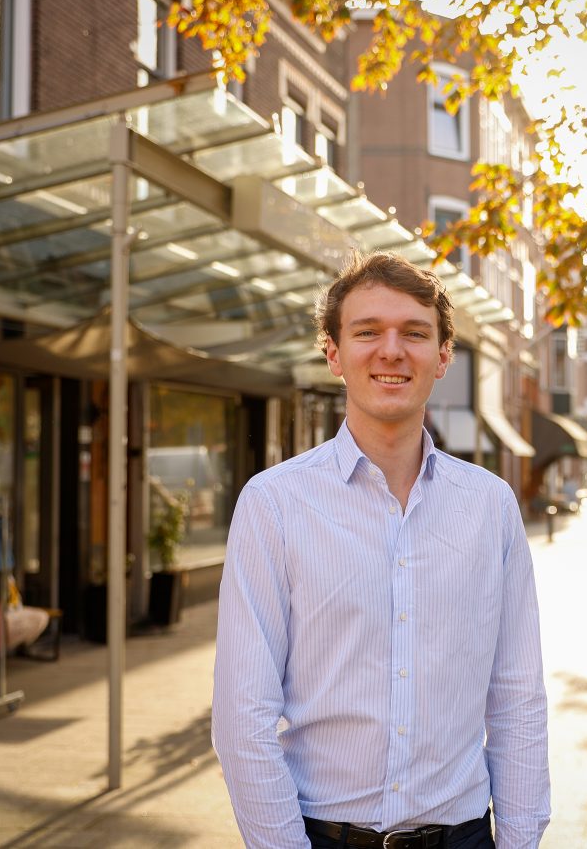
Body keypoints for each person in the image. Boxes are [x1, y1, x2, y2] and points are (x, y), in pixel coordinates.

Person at [212, 251, 550, 849]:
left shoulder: (491, 506)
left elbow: (517, 698)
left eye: (414, 334)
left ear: (444, 356)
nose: (391, 351)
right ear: (333, 353)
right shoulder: (273, 505)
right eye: (367, 332)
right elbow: (244, 718)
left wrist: (519, 842)